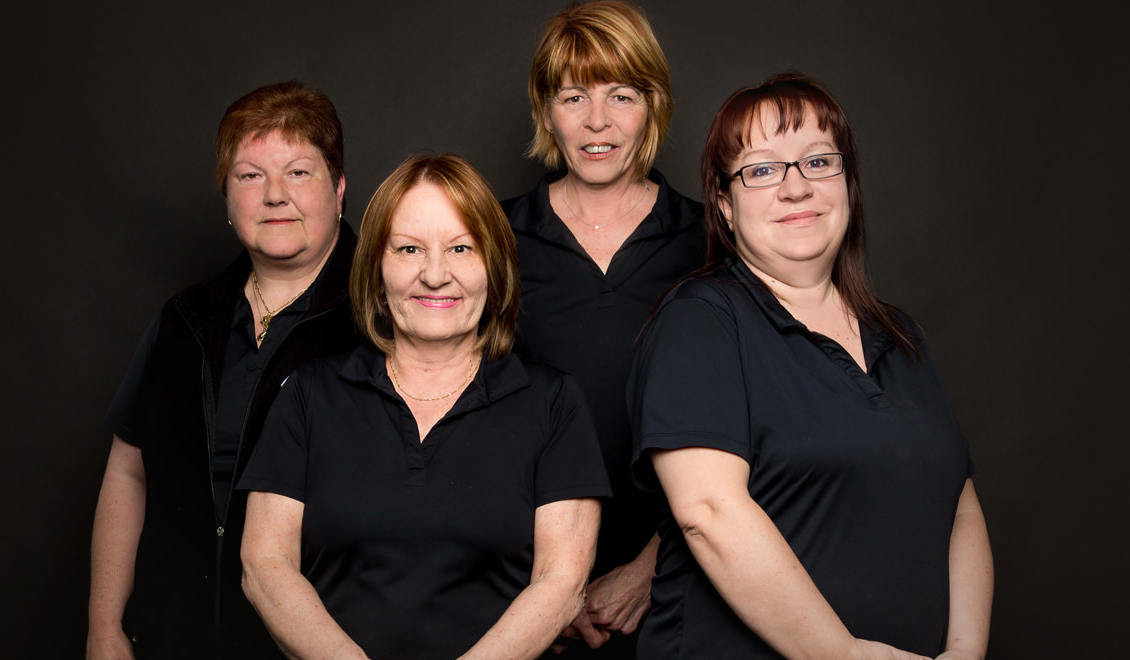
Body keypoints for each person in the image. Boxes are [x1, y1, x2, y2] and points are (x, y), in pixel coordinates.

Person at [628, 72, 994, 660]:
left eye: (819, 162)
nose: (796, 188)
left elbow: (960, 505)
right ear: (724, 205)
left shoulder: (899, 336)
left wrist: (964, 651)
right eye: (762, 170)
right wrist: (843, 654)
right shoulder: (699, 322)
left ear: (847, 184)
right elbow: (708, 512)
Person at [238, 153, 611, 660]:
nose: (435, 275)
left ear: (494, 265)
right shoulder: (308, 395)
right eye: (410, 248)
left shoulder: (553, 404)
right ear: (377, 267)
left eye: (461, 248)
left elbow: (561, 581)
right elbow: (264, 566)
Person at [86, 80, 359, 660]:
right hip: (173, 639)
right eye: (250, 175)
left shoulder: (383, 321)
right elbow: (128, 471)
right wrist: (104, 626)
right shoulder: (184, 321)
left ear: (338, 188)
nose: (275, 195)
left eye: (298, 173)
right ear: (228, 198)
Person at [500, 2, 705, 655]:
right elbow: (463, 416)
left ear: (652, 105)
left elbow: (750, 425)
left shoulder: (708, 241)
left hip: (680, 580)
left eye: (621, 95)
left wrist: (650, 567)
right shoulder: (493, 237)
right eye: (574, 97)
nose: (597, 121)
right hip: (523, 578)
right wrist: (547, 592)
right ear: (546, 111)